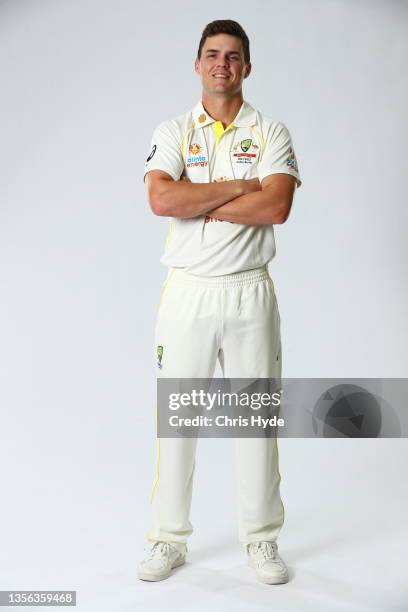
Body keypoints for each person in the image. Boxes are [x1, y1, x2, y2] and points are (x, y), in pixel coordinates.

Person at [138, 19, 302, 584]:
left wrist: (203, 199)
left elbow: (276, 207)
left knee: (256, 419)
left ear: (247, 67)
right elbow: (161, 198)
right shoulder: (174, 130)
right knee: (177, 418)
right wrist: (241, 186)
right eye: (212, 55)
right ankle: (167, 539)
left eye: (233, 56)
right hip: (189, 290)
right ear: (197, 64)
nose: (222, 65)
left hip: (250, 289)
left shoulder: (271, 131)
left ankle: (261, 541)